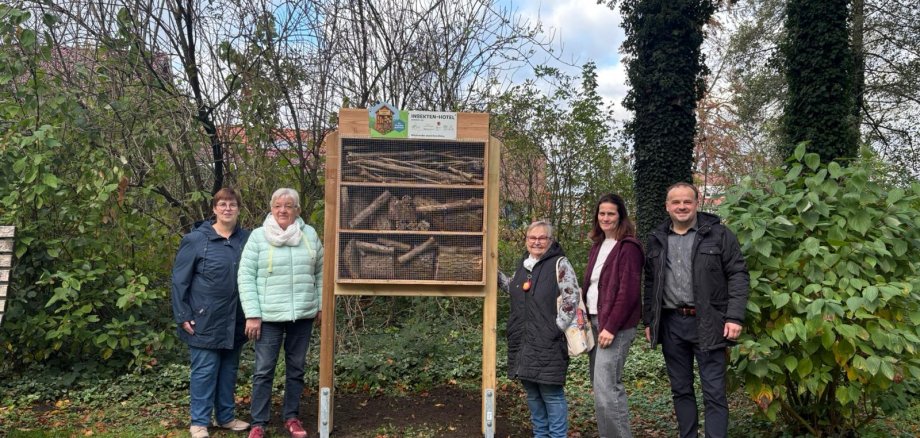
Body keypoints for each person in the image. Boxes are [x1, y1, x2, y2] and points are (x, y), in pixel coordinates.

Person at [643, 182, 750, 438]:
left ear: (696, 202)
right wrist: (649, 320)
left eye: (687, 201)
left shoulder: (719, 234)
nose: (682, 206)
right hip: (671, 325)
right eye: (676, 202)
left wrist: (734, 316)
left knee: (714, 392)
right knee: (681, 390)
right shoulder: (657, 240)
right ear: (667, 206)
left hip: (709, 323)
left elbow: (738, 274)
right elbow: (649, 282)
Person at [238, 188, 323, 438]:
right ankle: (258, 423)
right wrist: (252, 314)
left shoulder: (309, 234)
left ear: (297, 210)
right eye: (278, 205)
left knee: (296, 368)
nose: (282, 210)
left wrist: (319, 305)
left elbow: (321, 272)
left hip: (302, 315)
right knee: (264, 369)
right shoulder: (258, 236)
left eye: (288, 205)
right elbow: (245, 276)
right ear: (271, 208)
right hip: (269, 317)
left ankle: (292, 417)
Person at [171, 188, 251, 438]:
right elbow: (179, 280)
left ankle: (226, 417)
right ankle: (199, 422)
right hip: (204, 318)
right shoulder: (196, 240)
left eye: (232, 204)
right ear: (214, 209)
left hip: (236, 318)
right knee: (205, 371)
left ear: (239, 208)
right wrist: (183, 314)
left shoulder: (247, 239)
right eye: (222, 204)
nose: (227, 208)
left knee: (229, 370)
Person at [506, 220, 579, 438]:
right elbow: (513, 288)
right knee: (533, 395)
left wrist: (555, 328)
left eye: (542, 238)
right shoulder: (525, 265)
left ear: (550, 240)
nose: (537, 242)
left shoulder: (559, 263)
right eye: (532, 238)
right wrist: (489, 270)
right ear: (526, 240)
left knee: (551, 394)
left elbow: (571, 297)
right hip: (523, 341)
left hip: (548, 341)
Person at [582, 194, 644, 438]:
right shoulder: (598, 246)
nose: (605, 217)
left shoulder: (629, 247)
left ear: (621, 216)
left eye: (611, 213)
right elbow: (594, 286)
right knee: (600, 389)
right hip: (594, 322)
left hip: (613, 327)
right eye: (602, 213)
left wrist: (611, 327)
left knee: (608, 388)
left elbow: (628, 293)